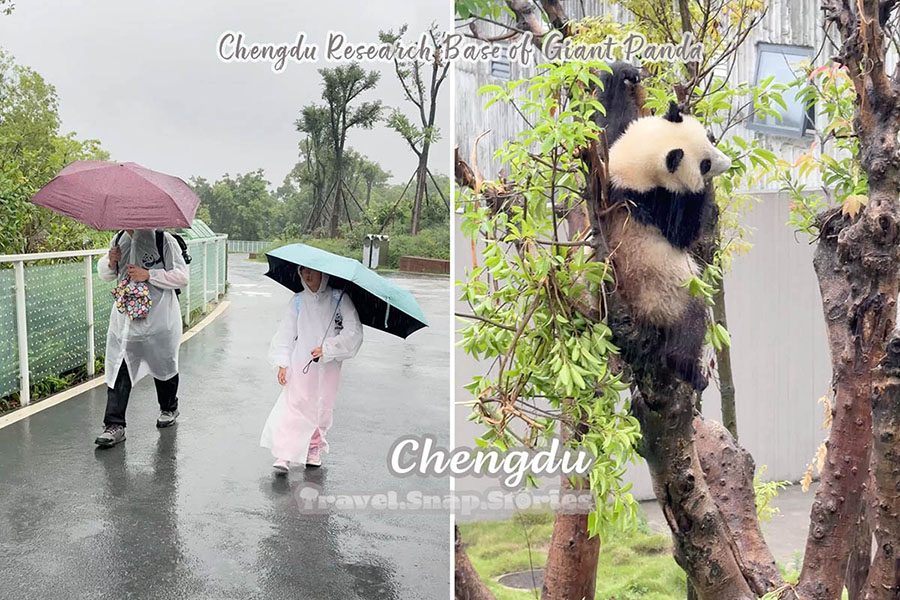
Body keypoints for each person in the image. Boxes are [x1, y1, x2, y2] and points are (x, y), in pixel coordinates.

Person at [261, 266, 363, 473]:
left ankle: (313, 448)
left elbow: (353, 331)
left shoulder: (338, 298)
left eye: (313, 272)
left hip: (329, 364)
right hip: (301, 361)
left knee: (321, 406)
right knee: (294, 403)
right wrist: (283, 362)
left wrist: (328, 347)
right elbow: (286, 332)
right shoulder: (298, 301)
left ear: (323, 274)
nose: (308, 276)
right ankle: (284, 452)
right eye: (303, 271)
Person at [94, 229, 189, 447]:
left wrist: (150, 275)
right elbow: (107, 275)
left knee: (164, 368)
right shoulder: (119, 239)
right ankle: (114, 425)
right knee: (119, 368)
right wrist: (110, 262)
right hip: (125, 324)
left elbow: (182, 277)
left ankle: (169, 408)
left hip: (159, 322)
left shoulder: (163, 239)